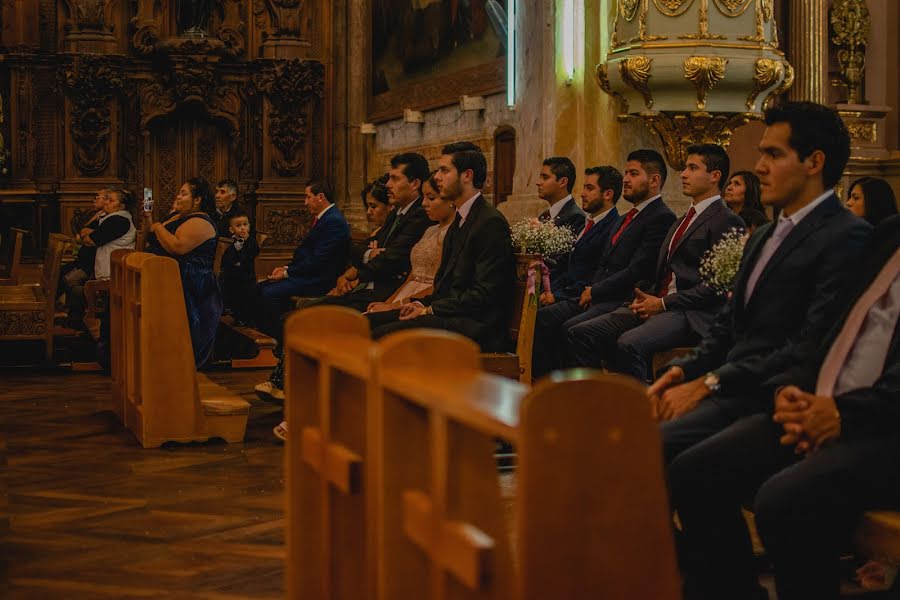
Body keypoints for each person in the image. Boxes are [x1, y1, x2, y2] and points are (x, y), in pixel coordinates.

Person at [667, 214, 900, 600]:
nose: (760, 166)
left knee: (783, 499)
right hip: (819, 401)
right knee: (694, 469)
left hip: (880, 422)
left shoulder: (848, 234)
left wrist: (843, 413)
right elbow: (829, 333)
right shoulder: (888, 234)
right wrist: (788, 390)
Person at [647, 101, 873, 468]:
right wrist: (684, 370)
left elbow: (807, 344)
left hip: (777, 394)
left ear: (814, 163)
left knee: (682, 461)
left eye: (773, 154)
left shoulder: (848, 237)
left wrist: (709, 383)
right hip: (733, 387)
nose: (759, 167)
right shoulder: (763, 235)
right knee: (639, 441)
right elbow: (728, 326)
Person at [270, 173, 459, 442]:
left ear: (451, 202)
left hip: (425, 301)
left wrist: (401, 304)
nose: (425, 205)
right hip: (405, 294)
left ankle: (334, 417)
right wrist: (390, 302)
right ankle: (315, 409)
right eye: (426, 198)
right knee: (337, 328)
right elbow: (410, 274)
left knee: (354, 334)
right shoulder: (429, 229)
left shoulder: (453, 233)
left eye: (432, 198)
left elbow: (439, 282)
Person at [566, 144, 745, 382]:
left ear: (715, 176)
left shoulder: (728, 221)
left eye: (692, 168)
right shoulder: (684, 220)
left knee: (629, 344)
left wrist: (661, 303)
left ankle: (641, 414)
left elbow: (716, 289)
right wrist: (646, 300)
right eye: (685, 168)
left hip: (691, 314)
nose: (683, 174)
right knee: (581, 332)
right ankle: (597, 406)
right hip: (659, 304)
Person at [531, 149, 677, 378]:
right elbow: (603, 263)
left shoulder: (661, 216)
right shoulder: (626, 218)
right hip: (598, 294)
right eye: (626, 172)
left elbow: (638, 269)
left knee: (573, 329)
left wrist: (595, 291)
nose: (626, 179)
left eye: (633, 173)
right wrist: (592, 291)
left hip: (623, 298)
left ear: (654, 180)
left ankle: (589, 398)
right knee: (556, 322)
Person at [366, 141, 515, 349]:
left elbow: (484, 295)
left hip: (475, 326)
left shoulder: (489, 222)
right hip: (450, 314)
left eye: (445, 170)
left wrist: (430, 310)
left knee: (383, 336)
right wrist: (419, 304)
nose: (437, 177)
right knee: (367, 321)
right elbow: (444, 285)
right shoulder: (460, 220)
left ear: (467, 176)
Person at [326, 153, 432, 311]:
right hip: (370, 288)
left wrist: (356, 274)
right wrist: (371, 252)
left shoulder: (420, 214)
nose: (388, 184)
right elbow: (353, 249)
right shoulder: (397, 212)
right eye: (389, 178)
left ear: (415, 184)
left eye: (395, 179)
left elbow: (392, 259)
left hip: (386, 293)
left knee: (311, 317)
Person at [257, 179, 350, 339]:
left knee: (268, 294)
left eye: (308, 197)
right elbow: (309, 255)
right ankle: (264, 341)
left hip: (321, 280)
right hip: (310, 274)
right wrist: (286, 268)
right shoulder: (326, 217)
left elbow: (319, 261)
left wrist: (287, 273)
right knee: (260, 287)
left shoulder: (333, 220)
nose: (305, 202)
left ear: (320, 197)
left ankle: (278, 342)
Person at [146, 177, 223, 368]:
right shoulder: (179, 216)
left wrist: (156, 226)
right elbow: (152, 236)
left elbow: (177, 247)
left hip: (191, 283)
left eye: (184, 193)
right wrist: (149, 219)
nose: (178, 197)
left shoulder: (201, 221)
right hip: (167, 275)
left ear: (197, 200)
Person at [541, 166, 623, 307]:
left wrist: (556, 296)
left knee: (538, 319)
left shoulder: (612, 227)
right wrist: (548, 291)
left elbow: (590, 275)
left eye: (589, 188)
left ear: (608, 194)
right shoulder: (586, 223)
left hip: (580, 298)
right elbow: (568, 267)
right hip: (564, 292)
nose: (582, 194)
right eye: (584, 187)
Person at [60, 189, 108, 328]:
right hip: (83, 261)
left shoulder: (113, 219)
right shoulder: (98, 215)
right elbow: (81, 233)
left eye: (97, 197)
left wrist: (86, 234)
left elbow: (90, 239)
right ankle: (52, 311)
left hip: (92, 265)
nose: (94, 200)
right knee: (59, 273)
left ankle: (72, 319)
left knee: (69, 281)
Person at [220, 209, 259, 326]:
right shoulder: (230, 243)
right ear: (231, 229)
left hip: (247, 275)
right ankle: (233, 312)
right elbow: (226, 258)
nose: (243, 228)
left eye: (245, 225)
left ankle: (246, 318)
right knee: (233, 293)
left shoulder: (251, 241)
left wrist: (247, 241)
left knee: (246, 296)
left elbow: (254, 252)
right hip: (232, 276)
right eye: (238, 225)